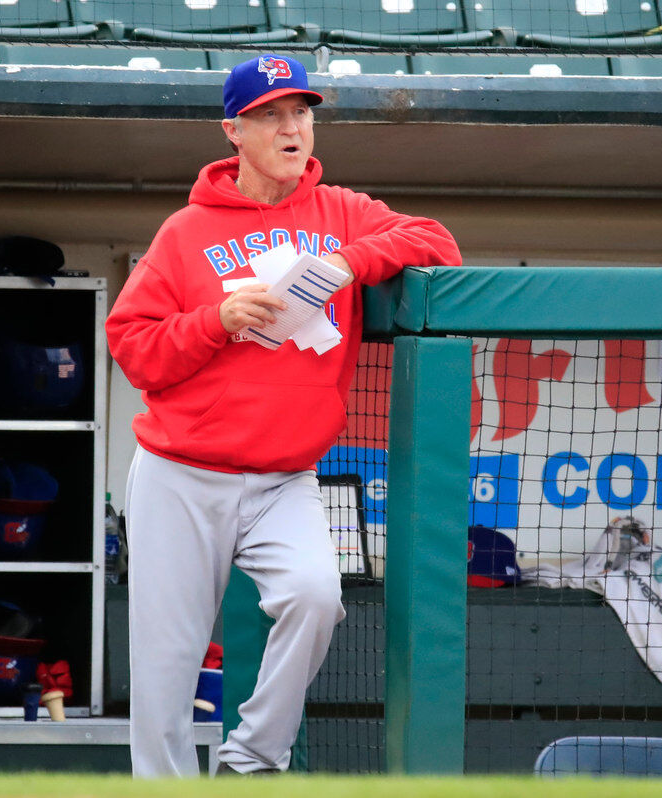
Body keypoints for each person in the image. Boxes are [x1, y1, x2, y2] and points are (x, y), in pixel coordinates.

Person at [106, 54, 461, 777]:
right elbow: (133, 347)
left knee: (315, 598)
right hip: (182, 474)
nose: (292, 126)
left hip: (285, 478)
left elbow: (437, 242)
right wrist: (215, 320)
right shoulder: (187, 231)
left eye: (301, 111)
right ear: (234, 130)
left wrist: (352, 263)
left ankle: (253, 760)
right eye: (271, 114)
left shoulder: (344, 212)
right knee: (165, 667)